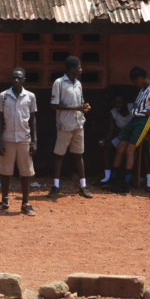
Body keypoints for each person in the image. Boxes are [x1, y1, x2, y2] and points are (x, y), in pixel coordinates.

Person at [0, 68, 39, 216]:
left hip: (24, 139)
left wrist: (35, 140)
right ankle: (5, 201)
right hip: (8, 139)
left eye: (19, 78)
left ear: (24, 80)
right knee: (5, 172)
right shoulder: (4, 96)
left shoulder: (30, 96)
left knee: (25, 173)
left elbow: (32, 119)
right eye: (14, 78)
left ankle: (25, 203)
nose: (16, 80)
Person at [108, 67, 150, 194]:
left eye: (135, 81)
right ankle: (112, 179)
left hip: (145, 120)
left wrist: (138, 112)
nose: (135, 84)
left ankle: (125, 184)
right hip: (135, 119)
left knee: (130, 150)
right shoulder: (143, 89)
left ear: (139, 78)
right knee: (120, 148)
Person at [49, 56, 93, 199]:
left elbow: (80, 103)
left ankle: (83, 186)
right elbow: (54, 105)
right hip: (64, 125)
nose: (81, 69)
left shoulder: (78, 84)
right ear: (72, 69)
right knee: (59, 155)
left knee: (79, 155)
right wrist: (77, 107)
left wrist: (84, 107)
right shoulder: (59, 83)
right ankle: (55, 187)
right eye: (79, 67)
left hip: (78, 124)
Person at [96, 95, 132, 187]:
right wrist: (103, 140)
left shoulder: (132, 107)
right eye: (115, 103)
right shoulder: (113, 113)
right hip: (122, 137)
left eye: (120, 103)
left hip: (134, 136)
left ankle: (143, 179)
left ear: (125, 102)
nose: (117, 105)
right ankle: (108, 177)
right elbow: (111, 132)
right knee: (106, 147)